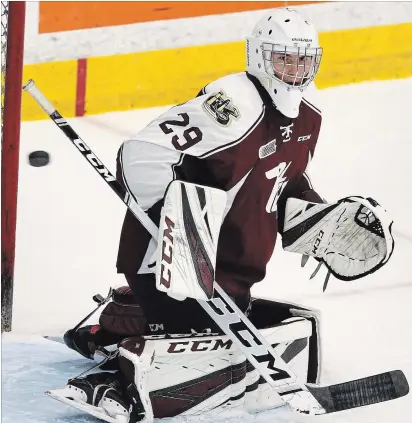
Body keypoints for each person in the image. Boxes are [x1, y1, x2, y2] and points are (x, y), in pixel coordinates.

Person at [48, 7, 392, 422]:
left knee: (232, 332)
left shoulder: (309, 114)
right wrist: (179, 228)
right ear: (259, 57)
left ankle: (110, 330)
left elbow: (287, 181)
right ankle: (110, 377)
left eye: (304, 60)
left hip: (232, 269)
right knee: (199, 348)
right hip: (167, 263)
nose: (295, 70)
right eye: (284, 58)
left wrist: (318, 220)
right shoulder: (232, 104)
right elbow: (140, 155)